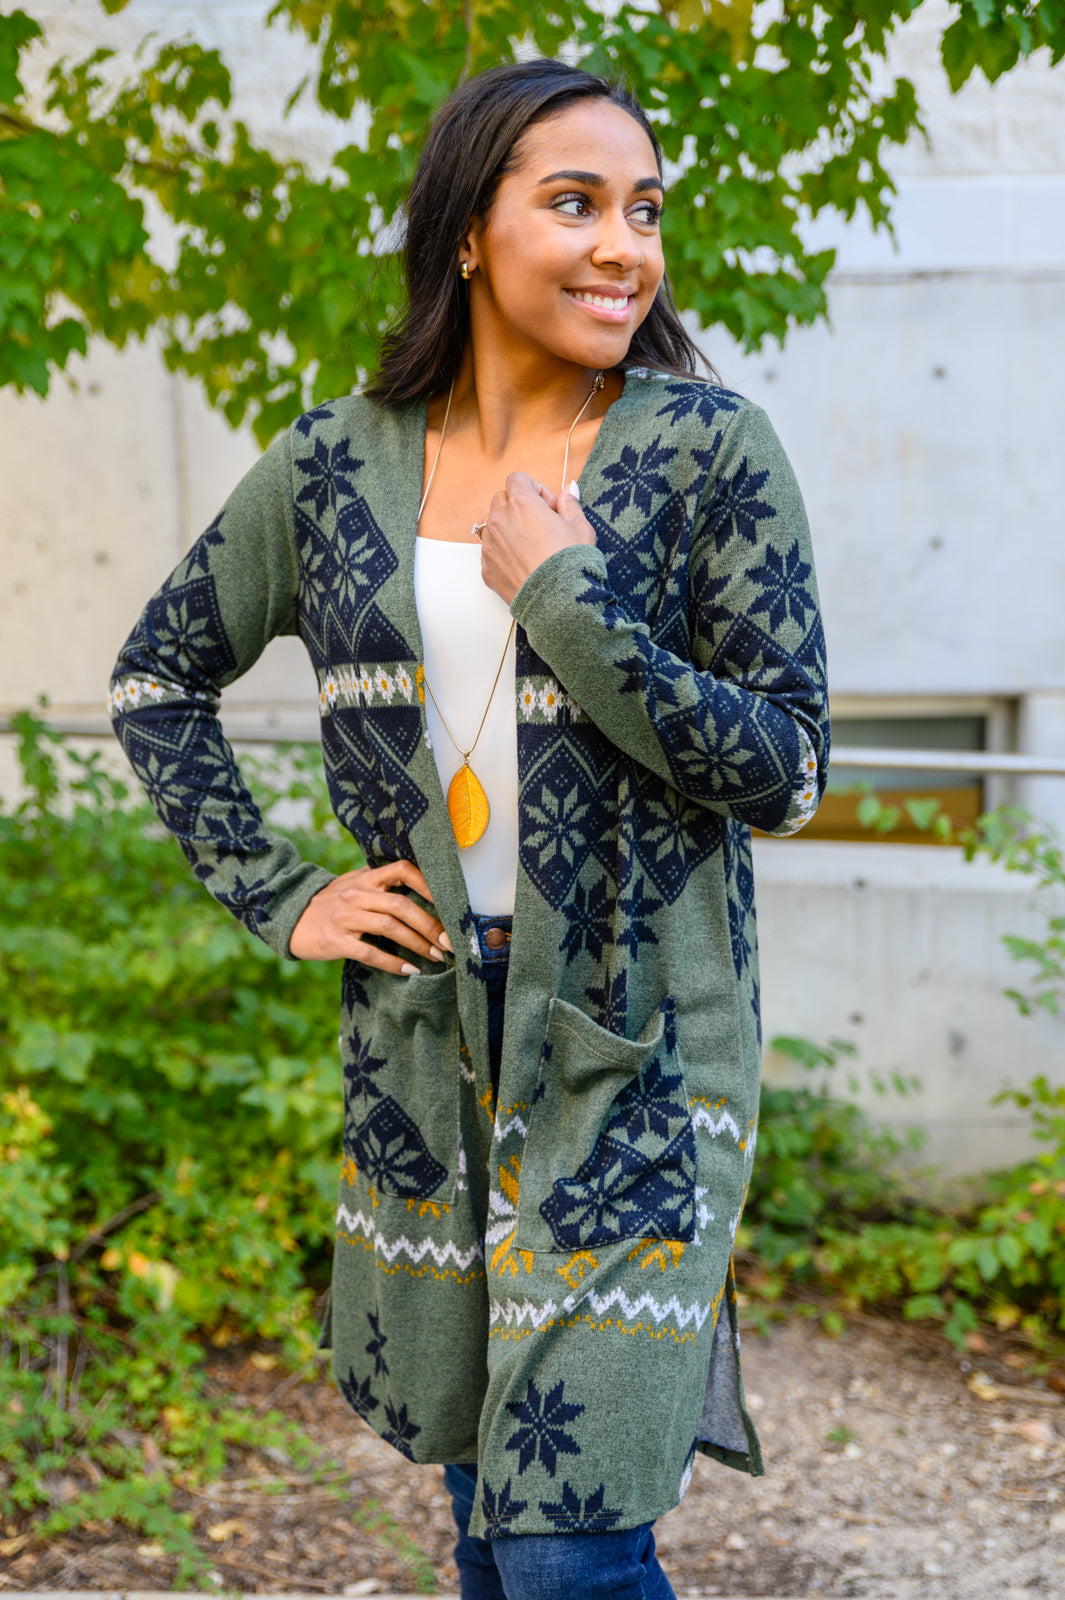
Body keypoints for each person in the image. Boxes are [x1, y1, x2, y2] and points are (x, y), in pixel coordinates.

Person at [110, 57, 829, 1600]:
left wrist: (567, 601)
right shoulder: (331, 467)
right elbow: (157, 679)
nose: (623, 246)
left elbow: (787, 769)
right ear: (464, 233)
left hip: (637, 1051)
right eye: (574, 203)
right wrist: (280, 892)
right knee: (482, 1506)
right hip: (424, 1041)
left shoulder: (708, 451)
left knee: (568, 1535)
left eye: (644, 210)